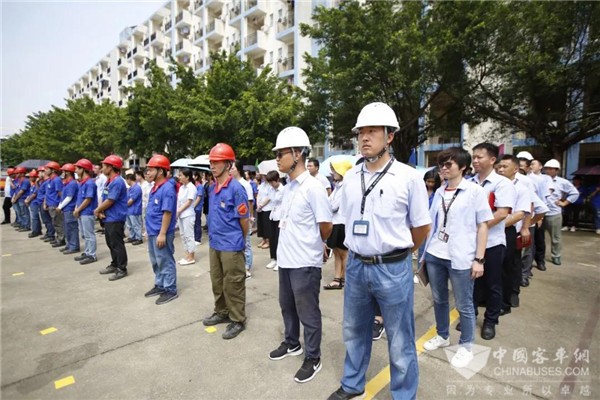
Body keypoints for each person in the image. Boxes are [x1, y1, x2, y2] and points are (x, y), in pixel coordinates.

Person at [328, 103, 430, 400]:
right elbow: (343, 217)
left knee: (400, 338)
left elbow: (422, 227)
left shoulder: (408, 177)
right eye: (361, 132)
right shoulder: (350, 178)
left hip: (392, 267)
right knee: (355, 330)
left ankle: (403, 394)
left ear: (390, 137)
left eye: (372, 131)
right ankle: (352, 384)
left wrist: (398, 251)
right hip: (357, 266)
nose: (364, 138)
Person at [268, 127, 332, 384]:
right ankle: (292, 342)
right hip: (286, 259)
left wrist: (319, 245)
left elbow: (325, 225)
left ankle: (313, 356)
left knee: (308, 312)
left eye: (281, 153)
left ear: (297, 154)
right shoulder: (289, 186)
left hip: (305, 262)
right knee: (287, 306)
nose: (277, 158)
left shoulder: (313, 187)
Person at [421, 147, 492, 368]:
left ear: (462, 167)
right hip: (435, 253)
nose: (443, 168)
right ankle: (442, 335)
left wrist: (479, 259)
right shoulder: (440, 192)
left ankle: (466, 345)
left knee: (464, 304)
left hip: (460, 256)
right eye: (441, 164)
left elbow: (483, 226)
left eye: (448, 164)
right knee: (439, 299)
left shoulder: (474, 191)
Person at [468, 142, 516, 341]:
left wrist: (480, 227)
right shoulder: (470, 182)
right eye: (474, 157)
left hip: (492, 243)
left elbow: (502, 213)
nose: (475, 160)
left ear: (492, 160)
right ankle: (471, 317)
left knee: (493, 284)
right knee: (471, 283)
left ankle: (490, 321)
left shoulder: (502, 184)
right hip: (470, 243)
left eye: (480, 157)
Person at [202, 143, 250, 340]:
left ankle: (237, 319)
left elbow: (244, 220)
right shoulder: (212, 187)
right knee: (217, 281)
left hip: (231, 244)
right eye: (212, 162)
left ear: (228, 164)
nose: (213, 166)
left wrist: (240, 239)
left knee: (234, 283)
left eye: (217, 162)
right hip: (215, 243)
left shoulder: (236, 189)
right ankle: (221, 311)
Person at [496, 155, 531, 314]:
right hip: (488, 232)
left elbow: (519, 214)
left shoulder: (521, 188)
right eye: (499, 166)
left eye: (505, 167)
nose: (500, 169)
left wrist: (493, 225)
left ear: (516, 169)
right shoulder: (493, 184)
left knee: (506, 267)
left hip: (507, 231)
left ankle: (505, 303)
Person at [144, 155, 179, 305]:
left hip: (161, 233)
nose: (148, 173)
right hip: (153, 232)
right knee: (155, 261)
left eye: (150, 170)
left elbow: (167, 213)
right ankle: (160, 284)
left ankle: (170, 289)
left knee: (165, 260)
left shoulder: (167, 189)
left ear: (160, 171)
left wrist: (162, 233)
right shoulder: (155, 188)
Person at [95, 155, 129, 281]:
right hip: (108, 217)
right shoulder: (108, 181)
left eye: (104, 166)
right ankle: (114, 263)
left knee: (117, 244)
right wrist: (101, 210)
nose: (102, 168)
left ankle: (122, 268)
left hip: (116, 218)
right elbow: (104, 198)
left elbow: (110, 200)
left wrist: (98, 210)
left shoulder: (117, 182)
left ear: (111, 167)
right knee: (110, 243)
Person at [541, 159, 579, 265]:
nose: (547, 171)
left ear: (556, 170)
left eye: (550, 169)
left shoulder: (562, 182)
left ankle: (556, 256)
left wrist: (564, 203)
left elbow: (574, 193)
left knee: (555, 237)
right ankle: (538, 257)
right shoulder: (540, 179)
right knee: (538, 237)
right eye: (546, 169)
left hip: (553, 213)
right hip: (539, 213)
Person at [323, 160, 353, 290]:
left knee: (343, 252)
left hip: (342, 223)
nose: (332, 173)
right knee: (336, 251)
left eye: (335, 170)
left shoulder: (346, 186)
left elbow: (333, 206)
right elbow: (329, 202)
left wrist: (325, 205)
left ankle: (347, 279)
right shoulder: (338, 186)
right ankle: (337, 278)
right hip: (335, 222)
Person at [231, 160, 254, 278]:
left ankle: (247, 267)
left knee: (247, 242)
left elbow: (250, 202)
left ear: (238, 170)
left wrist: (250, 216)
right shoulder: (231, 184)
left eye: (233, 168)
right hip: (235, 218)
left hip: (245, 217)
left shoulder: (245, 184)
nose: (230, 170)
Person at [73, 158, 98, 265]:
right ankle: (87, 252)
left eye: (78, 168)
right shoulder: (82, 183)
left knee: (89, 234)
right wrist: (76, 209)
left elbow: (88, 199)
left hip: (87, 212)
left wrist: (78, 209)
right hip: (82, 212)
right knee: (84, 234)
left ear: (83, 169)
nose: (76, 170)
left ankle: (92, 254)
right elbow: (79, 198)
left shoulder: (89, 183)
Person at [57, 163, 80, 255]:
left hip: (70, 209)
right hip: (66, 209)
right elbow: (63, 197)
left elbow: (69, 197)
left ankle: (74, 246)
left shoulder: (72, 183)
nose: (62, 173)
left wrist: (60, 207)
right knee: (67, 228)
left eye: (64, 171)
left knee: (72, 228)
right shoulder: (67, 183)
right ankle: (69, 244)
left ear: (68, 172)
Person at [176, 168, 197, 265]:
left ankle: (191, 257)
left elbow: (189, 202)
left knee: (189, 235)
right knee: (183, 235)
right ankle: (187, 255)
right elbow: (179, 201)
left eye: (181, 175)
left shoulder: (191, 187)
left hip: (188, 214)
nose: (179, 177)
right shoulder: (181, 187)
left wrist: (179, 211)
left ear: (187, 177)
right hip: (181, 215)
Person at [265, 170, 283, 270]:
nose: (271, 184)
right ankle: (273, 259)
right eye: (270, 182)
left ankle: (279, 260)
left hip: (280, 216)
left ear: (277, 180)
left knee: (278, 239)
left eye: (272, 182)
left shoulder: (283, 190)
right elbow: (269, 199)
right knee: (272, 238)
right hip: (272, 215)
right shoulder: (271, 190)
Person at [45, 161, 65, 248]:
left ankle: (61, 239)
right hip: (50, 205)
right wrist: (46, 203)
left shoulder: (56, 180)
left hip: (55, 205)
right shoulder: (49, 180)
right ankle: (58, 238)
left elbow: (60, 193)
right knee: (54, 223)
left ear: (53, 170)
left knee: (58, 223)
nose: (45, 170)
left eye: (47, 169)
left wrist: (60, 206)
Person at [125, 174, 144, 246]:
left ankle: (139, 238)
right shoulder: (130, 188)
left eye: (126, 179)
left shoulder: (137, 188)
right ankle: (132, 236)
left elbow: (131, 200)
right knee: (130, 225)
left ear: (129, 179)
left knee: (136, 225)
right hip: (129, 210)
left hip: (134, 210)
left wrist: (125, 205)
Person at [24, 170, 42, 238]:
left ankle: (35, 231)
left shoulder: (36, 185)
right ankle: (38, 230)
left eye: (31, 177)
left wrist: (28, 200)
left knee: (34, 217)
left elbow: (35, 194)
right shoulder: (32, 185)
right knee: (35, 217)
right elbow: (31, 194)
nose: (30, 178)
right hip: (32, 202)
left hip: (35, 202)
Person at [256, 173, 272, 249]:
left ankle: (268, 241)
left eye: (264, 176)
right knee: (261, 224)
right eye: (262, 176)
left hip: (267, 207)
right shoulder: (262, 185)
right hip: (260, 208)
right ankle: (263, 239)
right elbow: (258, 195)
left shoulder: (270, 185)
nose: (263, 177)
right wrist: (258, 203)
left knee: (267, 225)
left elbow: (269, 197)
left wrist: (262, 205)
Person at [12, 166, 31, 231]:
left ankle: (26, 226)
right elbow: (16, 190)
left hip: (22, 199)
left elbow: (21, 191)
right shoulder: (20, 181)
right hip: (19, 199)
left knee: (24, 213)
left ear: (22, 173)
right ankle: (23, 224)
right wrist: (14, 198)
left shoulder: (25, 181)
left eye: (18, 173)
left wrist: (15, 199)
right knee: (20, 213)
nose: (16, 174)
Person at [192, 170, 204, 245]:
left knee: (197, 223)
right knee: (193, 223)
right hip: (193, 208)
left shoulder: (199, 186)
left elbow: (199, 198)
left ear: (196, 177)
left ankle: (198, 239)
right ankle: (194, 237)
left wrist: (193, 206)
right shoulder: (193, 186)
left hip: (197, 208)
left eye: (193, 175)